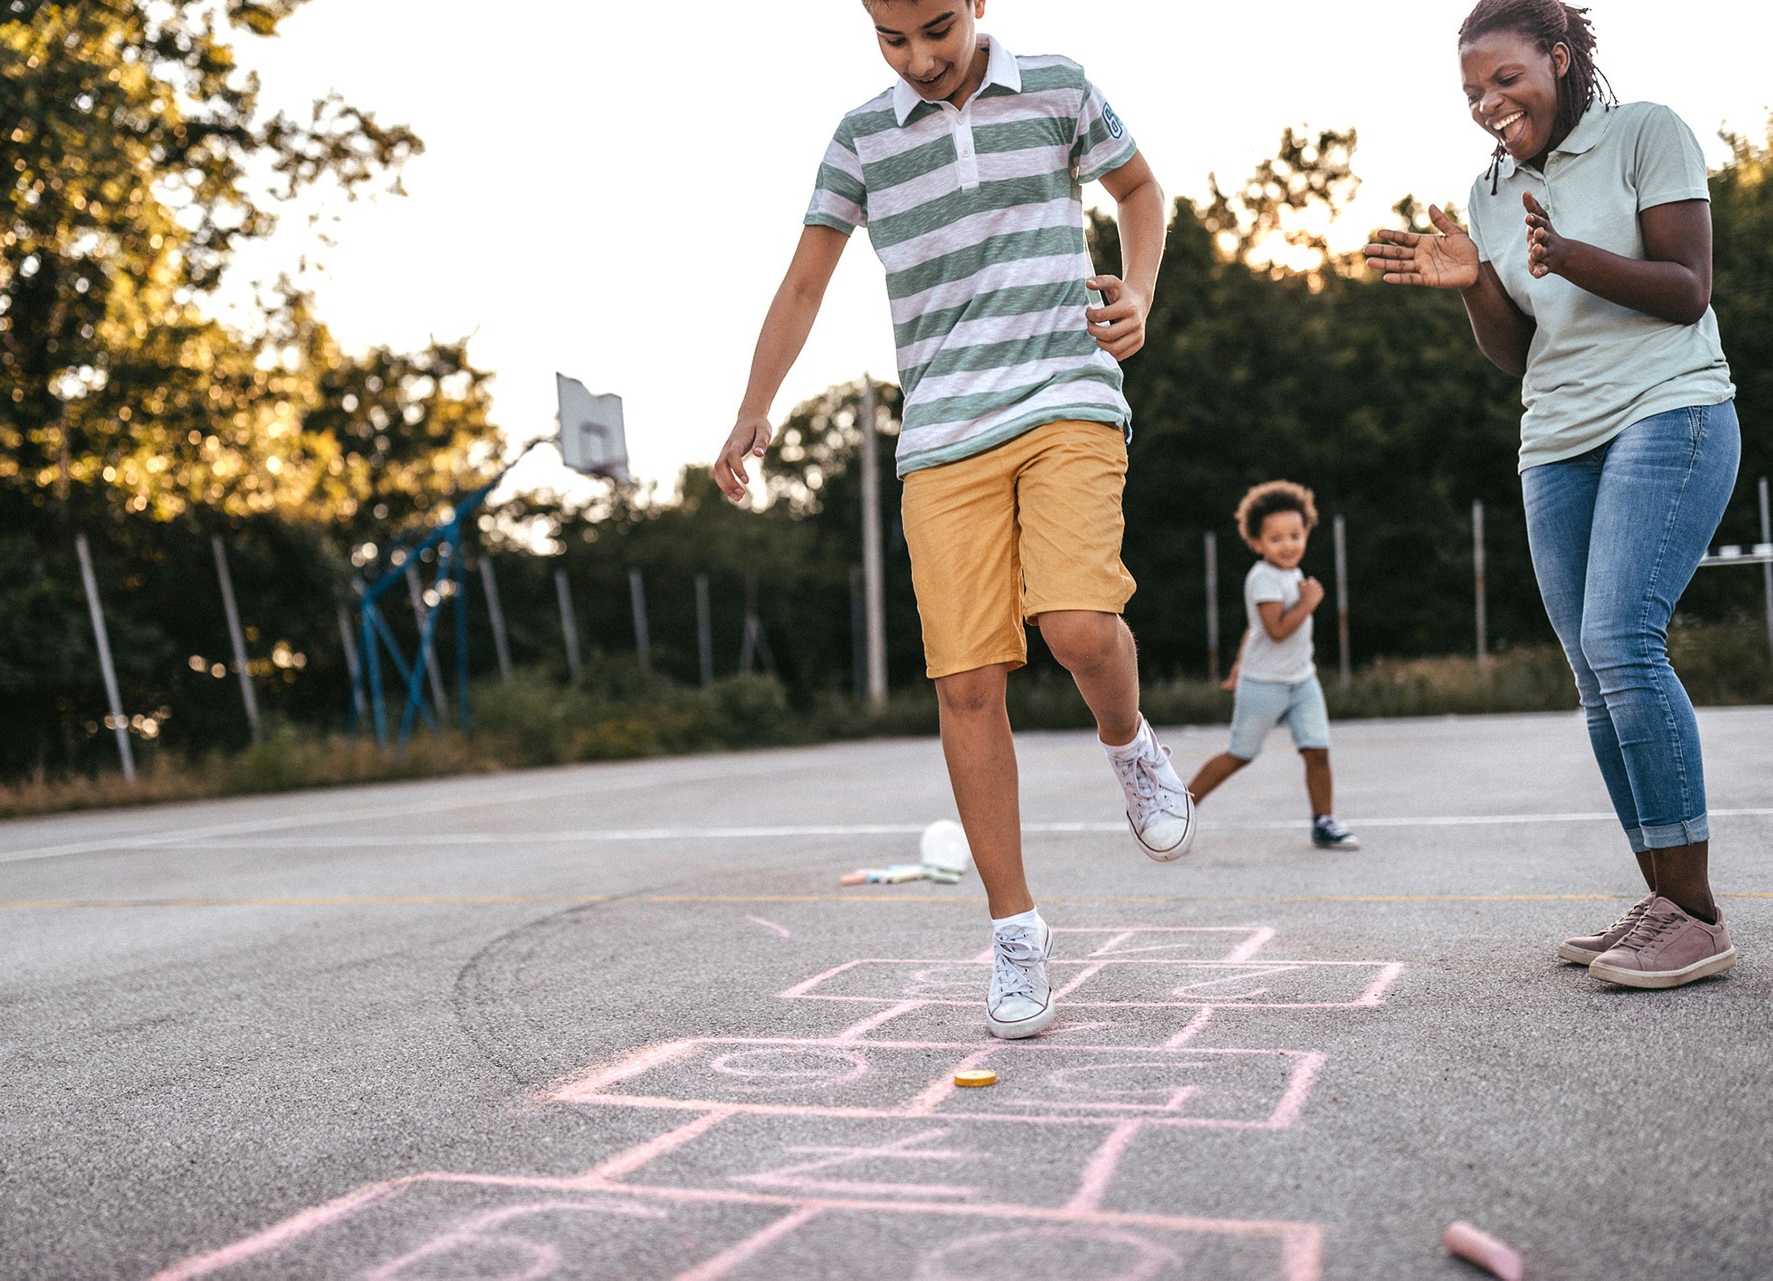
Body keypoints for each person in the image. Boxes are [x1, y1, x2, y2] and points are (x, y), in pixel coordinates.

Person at [711, 0, 1194, 1039]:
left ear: (978, 3)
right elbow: (805, 281)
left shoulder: (1058, 85)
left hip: (1066, 394)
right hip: (942, 433)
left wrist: (1141, 293)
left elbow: (1141, 190)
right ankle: (1016, 935)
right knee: (968, 681)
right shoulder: (861, 140)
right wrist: (754, 408)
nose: (920, 57)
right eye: (892, 38)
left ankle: (1129, 741)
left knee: (1073, 622)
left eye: (937, 27)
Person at [1365, 0, 1739, 988]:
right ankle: (1662, 899)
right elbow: (1516, 352)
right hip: (1555, 440)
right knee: (1592, 673)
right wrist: (1473, 286)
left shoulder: (1644, 133)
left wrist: (1567, 254)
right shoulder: (1490, 193)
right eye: (1472, 91)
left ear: (1561, 60)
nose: (1488, 103)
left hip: (1670, 410)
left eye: (1504, 79)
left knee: (1625, 642)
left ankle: (1696, 913)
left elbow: (1688, 286)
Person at [1187, 482, 1358, 850]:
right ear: (1257, 542)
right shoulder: (1262, 576)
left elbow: (1255, 628)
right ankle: (1179, 809)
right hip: (1264, 683)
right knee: (1240, 754)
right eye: (1276, 538)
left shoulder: (1292, 574)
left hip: (1301, 679)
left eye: (1295, 535)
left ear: (1306, 533)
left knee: (1318, 750)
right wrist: (1310, 602)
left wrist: (1235, 663)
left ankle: (1324, 822)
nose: (1288, 544)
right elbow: (1276, 629)